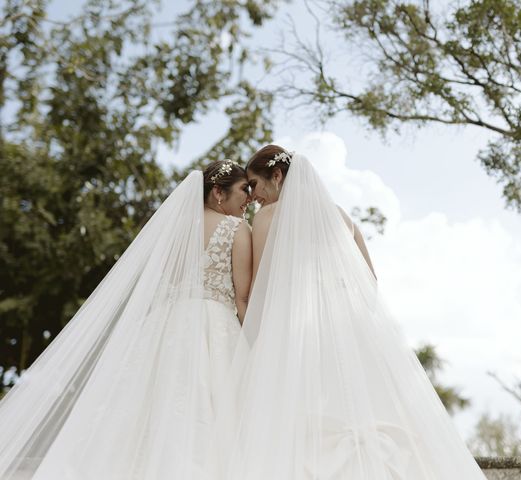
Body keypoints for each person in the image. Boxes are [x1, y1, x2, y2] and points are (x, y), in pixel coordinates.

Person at [213, 146, 487, 479]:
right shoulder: (341, 216)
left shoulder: (266, 219)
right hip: (346, 333)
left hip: (293, 334)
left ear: (277, 175)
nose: (253, 197)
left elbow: (259, 291)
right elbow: (370, 280)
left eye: (254, 185)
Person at [0, 161, 252, 479]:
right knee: (216, 414)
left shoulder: (176, 231)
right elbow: (242, 297)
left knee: (148, 413)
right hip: (215, 328)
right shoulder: (237, 229)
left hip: (167, 326)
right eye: (245, 189)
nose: (249, 198)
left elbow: (166, 282)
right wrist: (253, 342)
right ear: (218, 192)